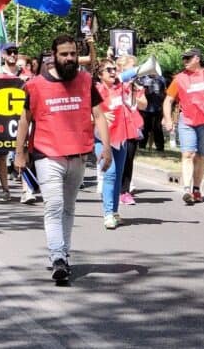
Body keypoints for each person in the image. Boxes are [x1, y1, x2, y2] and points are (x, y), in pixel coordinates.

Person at [15, 35, 110, 283]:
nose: (69, 58)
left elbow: (99, 115)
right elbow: (25, 120)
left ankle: (64, 255)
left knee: (68, 207)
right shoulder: (35, 85)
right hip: (48, 155)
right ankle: (57, 256)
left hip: (78, 154)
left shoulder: (86, 81)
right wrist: (19, 153)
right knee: (54, 206)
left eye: (73, 54)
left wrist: (107, 148)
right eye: (64, 54)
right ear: (53, 55)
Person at [162, 48, 204, 205]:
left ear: (197, 58)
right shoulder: (179, 78)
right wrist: (168, 119)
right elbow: (168, 101)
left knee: (200, 156)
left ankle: (196, 189)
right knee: (188, 154)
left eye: (188, 58)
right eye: (184, 59)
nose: (184, 61)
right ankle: (186, 189)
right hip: (187, 121)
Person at [95, 60, 146, 229]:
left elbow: (137, 101)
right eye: (108, 70)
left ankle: (115, 211)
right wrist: (95, 118)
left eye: (114, 69)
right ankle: (108, 213)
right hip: (102, 138)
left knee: (117, 175)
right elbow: (83, 112)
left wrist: (133, 86)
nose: (112, 72)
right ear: (100, 74)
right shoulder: (95, 90)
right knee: (110, 174)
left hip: (121, 136)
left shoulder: (121, 87)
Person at [138, 68, 168, 151]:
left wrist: (163, 105)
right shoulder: (143, 79)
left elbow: (164, 93)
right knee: (144, 128)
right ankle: (141, 145)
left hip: (157, 108)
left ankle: (160, 147)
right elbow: (140, 93)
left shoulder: (161, 79)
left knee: (157, 128)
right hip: (145, 109)